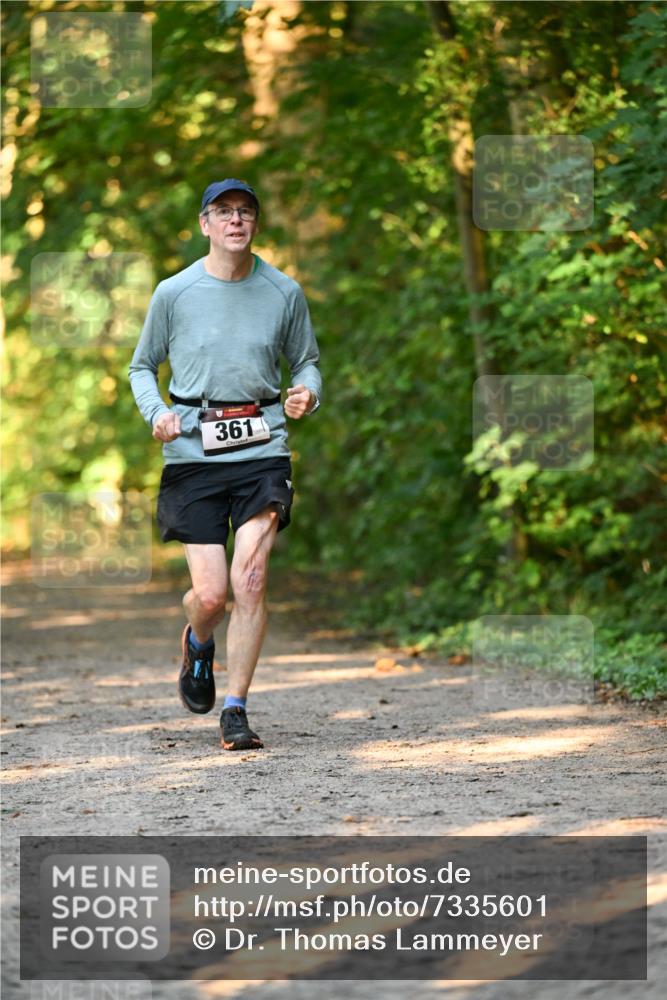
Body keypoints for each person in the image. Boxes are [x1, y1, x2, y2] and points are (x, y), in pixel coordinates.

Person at [129, 178, 321, 751]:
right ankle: (198, 638)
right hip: (192, 453)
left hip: (263, 448)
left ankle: (235, 707)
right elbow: (142, 367)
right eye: (224, 212)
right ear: (205, 224)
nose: (236, 220)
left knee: (252, 579)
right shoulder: (175, 292)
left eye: (246, 212)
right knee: (211, 595)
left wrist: (306, 394)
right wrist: (157, 412)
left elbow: (307, 363)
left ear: (255, 225)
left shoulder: (283, 292)